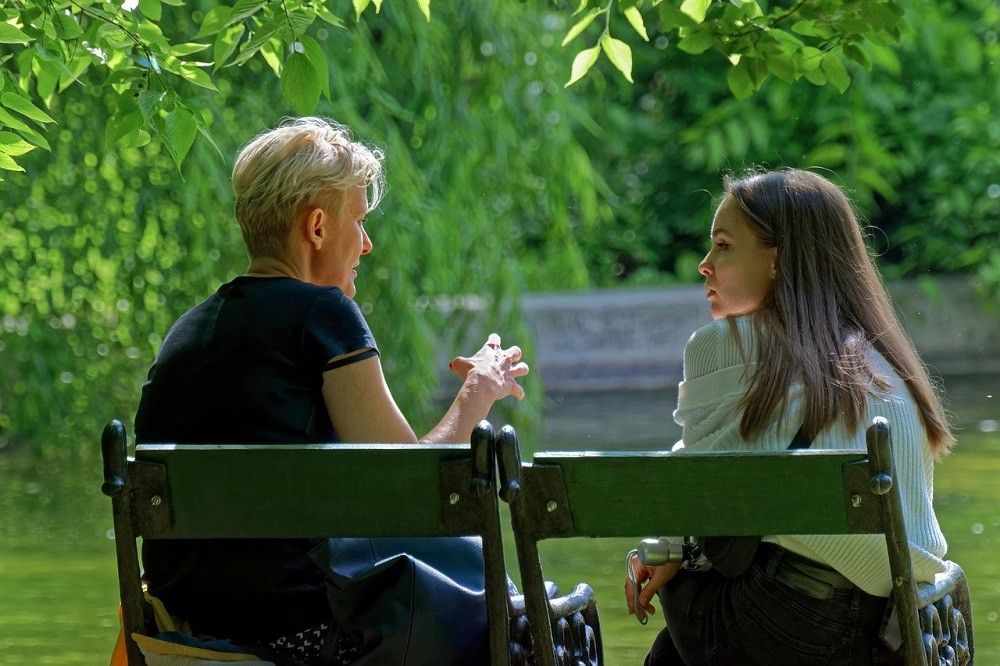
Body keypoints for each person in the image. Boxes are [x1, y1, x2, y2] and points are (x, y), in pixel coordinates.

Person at [134, 116, 529, 664]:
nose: (366, 245)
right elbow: (409, 496)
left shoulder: (187, 331)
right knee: (517, 621)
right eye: (360, 222)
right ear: (317, 228)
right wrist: (476, 394)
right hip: (304, 634)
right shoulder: (324, 316)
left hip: (185, 630)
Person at [623, 168, 954, 665]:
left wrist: (668, 550)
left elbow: (689, 490)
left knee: (682, 567)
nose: (704, 264)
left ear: (777, 261)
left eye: (723, 246)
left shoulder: (723, 344)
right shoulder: (886, 361)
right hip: (883, 628)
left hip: (782, 626)